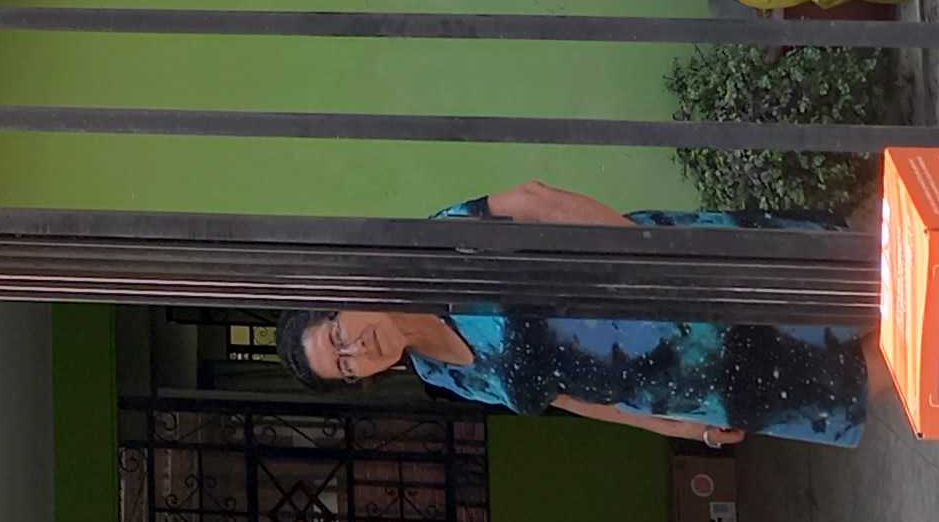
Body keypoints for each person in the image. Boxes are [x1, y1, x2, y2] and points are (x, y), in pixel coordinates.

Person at [276, 181, 867, 447]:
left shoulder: (437, 252)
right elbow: (571, 399)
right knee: (867, 378)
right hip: (687, 384)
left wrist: (653, 259)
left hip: (679, 285)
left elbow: (539, 202)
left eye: (338, 335)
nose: (356, 352)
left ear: (347, 299)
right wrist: (683, 428)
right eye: (345, 367)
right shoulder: (445, 375)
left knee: (860, 284)